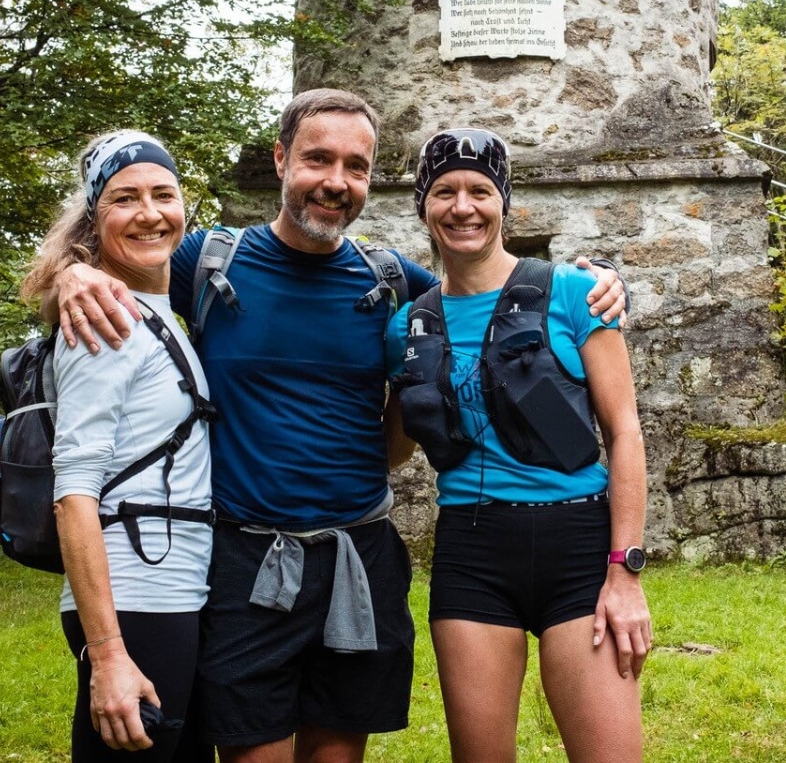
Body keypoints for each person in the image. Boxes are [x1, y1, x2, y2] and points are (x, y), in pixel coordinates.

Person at [49, 89, 629, 763]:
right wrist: (70, 273)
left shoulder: (390, 281)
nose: (335, 181)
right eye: (317, 159)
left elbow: (484, 285)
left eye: (356, 167)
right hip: (245, 562)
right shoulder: (207, 262)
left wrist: (604, 279)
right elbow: (125, 250)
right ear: (280, 159)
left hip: (359, 559)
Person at [387, 128, 651, 762]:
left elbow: (624, 433)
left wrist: (625, 573)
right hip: (471, 553)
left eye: (480, 191)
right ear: (424, 205)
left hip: (578, 547)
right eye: (444, 192)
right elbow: (393, 453)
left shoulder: (576, 293)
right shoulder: (407, 326)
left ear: (503, 202)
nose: (463, 207)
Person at [21, 131, 215, 762]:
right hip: (136, 599)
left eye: (164, 194)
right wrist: (108, 656)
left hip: (172, 593)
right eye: (124, 198)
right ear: (93, 215)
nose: (149, 213)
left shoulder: (150, 308)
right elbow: (73, 493)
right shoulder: (104, 321)